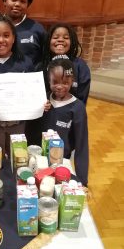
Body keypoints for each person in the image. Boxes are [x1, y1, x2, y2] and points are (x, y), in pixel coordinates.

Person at [0, 12, 49, 156]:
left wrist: (41, 103)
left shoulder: (25, 63)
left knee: (18, 156)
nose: (1, 40)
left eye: (6, 35)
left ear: (13, 38)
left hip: (18, 124)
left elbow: (33, 92)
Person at [43, 56, 89, 186]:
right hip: (39, 159)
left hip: (63, 161)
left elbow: (82, 145)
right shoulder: (43, 100)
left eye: (65, 82)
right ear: (48, 80)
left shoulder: (77, 108)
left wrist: (82, 181)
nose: (59, 86)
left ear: (72, 81)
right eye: (55, 81)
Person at [42, 23, 91, 105]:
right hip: (46, 113)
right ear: (48, 41)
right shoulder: (42, 64)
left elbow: (82, 97)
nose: (60, 40)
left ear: (72, 42)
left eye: (66, 38)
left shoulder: (80, 66)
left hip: (71, 113)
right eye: (55, 37)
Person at [2, 0, 46, 68]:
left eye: (22, 1)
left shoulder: (37, 29)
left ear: (28, 4)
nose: (17, 4)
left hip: (31, 80)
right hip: (0, 80)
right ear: (4, 0)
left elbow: (45, 58)